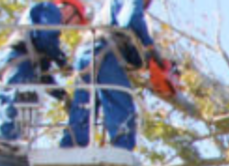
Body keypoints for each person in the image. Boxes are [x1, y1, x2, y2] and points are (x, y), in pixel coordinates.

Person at [60, 0, 170, 150]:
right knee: (119, 102)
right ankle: (122, 147)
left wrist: (144, 59)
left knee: (84, 104)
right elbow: (130, 19)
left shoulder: (111, 8)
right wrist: (148, 45)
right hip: (105, 53)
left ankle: (71, 145)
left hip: (85, 52)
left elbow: (127, 41)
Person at [0, 0, 89, 141]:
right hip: (19, 63)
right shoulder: (50, 10)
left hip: (16, 64)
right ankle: (4, 142)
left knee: (10, 109)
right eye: (76, 21)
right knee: (12, 107)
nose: (72, 27)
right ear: (69, 10)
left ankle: (2, 139)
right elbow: (47, 40)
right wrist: (62, 62)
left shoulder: (38, 37)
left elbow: (43, 77)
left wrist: (62, 96)